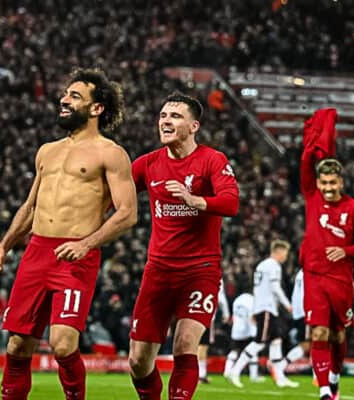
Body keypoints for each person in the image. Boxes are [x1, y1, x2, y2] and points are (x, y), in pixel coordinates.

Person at [0, 68, 137, 400]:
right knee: (17, 344)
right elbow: (30, 206)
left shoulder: (110, 153)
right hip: (36, 251)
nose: (64, 100)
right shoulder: (47, 151)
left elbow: (127, 213)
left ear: (97, 108)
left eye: (75, 97)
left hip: (76, 255)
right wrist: (4, 247)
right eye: (65, 95)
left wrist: (86, 243)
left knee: (63, 343)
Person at [128, 92, 239, 400]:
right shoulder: (148, 164)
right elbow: (115, 195)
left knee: (185, 344)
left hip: (200, 270)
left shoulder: (212, 160)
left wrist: (195, 200)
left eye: (175, 116)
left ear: (194, 126)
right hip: (158, 271)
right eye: (163, 115)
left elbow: (231, 203)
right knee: (138, 361)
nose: (166, 121)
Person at [300, 108, 354, 400]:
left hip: (341, 279)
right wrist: (310, 144)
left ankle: (334, 375)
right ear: (318, 184)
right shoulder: (311, 196)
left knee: (338, 335)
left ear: (341, 182)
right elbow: (306, 163)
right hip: (314, 275)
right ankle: (324, 392)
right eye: (324, 183)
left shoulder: (353, 208)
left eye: (333, 183)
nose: (329, 188)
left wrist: (345, 250)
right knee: (318, 333)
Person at [227, 240, 298, 389]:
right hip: (266, 308)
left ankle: (280, 378)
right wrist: (287, 304)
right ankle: (235, 372)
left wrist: (255, 309)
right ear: (278, 251)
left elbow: (258, 289)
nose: (285, 257)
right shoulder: (273, 265)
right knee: (259, 342)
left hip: (265, 308)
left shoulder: (262, 265)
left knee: (276, 341)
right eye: (285, 253)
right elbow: (275, 287)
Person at [276, 268, 313, 380]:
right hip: (307, 311)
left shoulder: (301, 272)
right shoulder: (311, 271)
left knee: (315, 342)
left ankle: (317, 372)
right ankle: (281, 365)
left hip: (299, 312)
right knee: (307, 344)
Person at [223, 292, 263, 384]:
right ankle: (254, 376)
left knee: (234, 351)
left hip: (236, 330)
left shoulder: (237, 300)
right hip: (248, 330)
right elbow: (252, 317)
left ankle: (227, 371)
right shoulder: (252, 300)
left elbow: (234, 315)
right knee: (253, 352)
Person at [198, 279, 230, 384]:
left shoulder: (195, 272)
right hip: (207, 315)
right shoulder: (215, 275)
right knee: (203, 346)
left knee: (194, 346)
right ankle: (200, 375)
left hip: (192, 314)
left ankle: (194, 374)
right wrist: (226, 313)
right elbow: (221, 298)